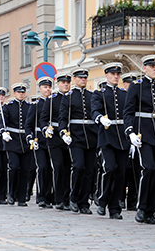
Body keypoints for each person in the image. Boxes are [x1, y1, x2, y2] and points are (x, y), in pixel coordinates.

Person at [124, 54, 155, 225]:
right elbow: (128, 111)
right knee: (148, 168)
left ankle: (151, 211)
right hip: (142, 133)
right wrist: (130, 132)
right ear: (144, 68)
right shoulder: (136, 87)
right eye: (152, 66)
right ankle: (142, 207)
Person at [92, 62, 130, 219]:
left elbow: (129, 112)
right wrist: (100, 118)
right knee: (110, 168)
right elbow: (94, 110)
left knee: (121, 173)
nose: (116, 76)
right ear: (106, 75)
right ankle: (102, 200)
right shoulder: (99, 93)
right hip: (107, 136)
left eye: (117, 74)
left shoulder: (124, 94)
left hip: (122, 136)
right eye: (113, 74)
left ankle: (115, 207)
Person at [59, 68, 97, 215]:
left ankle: (84, 202)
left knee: (89, 171)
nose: (83, 80)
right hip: (76, 136)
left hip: (91, 136)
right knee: (78, 166)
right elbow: (63, 117)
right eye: (80, 77)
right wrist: (63, 132)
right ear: (74, 79)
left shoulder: (91, 96)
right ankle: (73, 197)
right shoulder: (68, 96)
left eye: (85, 77)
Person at [40, 73, 72, 211]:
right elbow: (43, 119)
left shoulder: (73, 97)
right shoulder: (52, 100)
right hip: (55, 138)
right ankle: (59, 199)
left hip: (70, 136)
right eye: (63, 82)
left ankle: (68, 198)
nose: (66, 84)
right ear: (58, 84)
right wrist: (46, 128)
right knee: (58, 167)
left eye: (68, 82)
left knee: (68, 168)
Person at [0, 83, 32, 206]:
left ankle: (22, 197)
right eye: (18, 92)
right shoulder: (8, 107)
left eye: (23, 92)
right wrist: (3, 132)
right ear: (14, 93)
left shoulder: (29, 106)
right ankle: (11, 192)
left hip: (25, 140)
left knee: (25, 170)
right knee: (14, 167)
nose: (21, 94)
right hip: (12, 140)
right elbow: (2, 122)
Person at [25, 77, 54, 208]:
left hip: (53, 141)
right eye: (45, 87)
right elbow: (28, 125)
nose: (47, 89)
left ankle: (49, 196)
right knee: (42, 168)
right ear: (40, 89)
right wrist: (30, 138)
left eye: (49, 87)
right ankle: (41, 196)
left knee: (52, 169)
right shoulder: (35, 105)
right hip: (39, 141)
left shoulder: (54, 102)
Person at [120, 72, 140, 211]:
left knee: (135, 170)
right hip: (120, 136)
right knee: (123, 169)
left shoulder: (137, 96)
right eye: (127, 82)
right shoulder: (120, 97)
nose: (130, 85)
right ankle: (120, 197)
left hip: (135, 135)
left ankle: (132, 201)